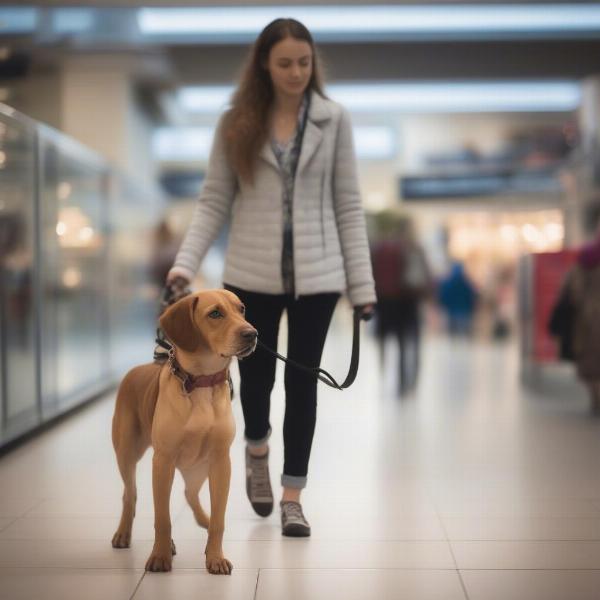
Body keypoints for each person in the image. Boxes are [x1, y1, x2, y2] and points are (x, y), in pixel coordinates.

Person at [164, 18, 376, 537]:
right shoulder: (237, 122)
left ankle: (293, 496)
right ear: (264, 64)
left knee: (303, 385)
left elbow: (348, 205)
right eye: (285, 63)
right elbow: (214, 200)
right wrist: (184, 264)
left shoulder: (334, 120)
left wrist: (363, 286)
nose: (296, 72)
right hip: (249, 278)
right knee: (255, 384)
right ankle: (255, 449)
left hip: (319, 279)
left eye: (304, 62)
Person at [371, 213, 432, 395]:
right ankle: (406, 382)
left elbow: (372, 274)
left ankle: (384, 375)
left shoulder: (379, 248)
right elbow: (424, 276)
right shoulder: (413, 247)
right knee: (407, 343)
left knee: (384, 341)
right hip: (407, 301)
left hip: (383, 302)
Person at [556, 229, 600, 414]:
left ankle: (596, 400)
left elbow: (573, 290)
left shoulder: (585, 258)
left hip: (588, 319)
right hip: (590, 318)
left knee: (591, 364)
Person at [438, 261, 478, 336]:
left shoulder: (448, 283)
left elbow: (443, 295)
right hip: (464, 311)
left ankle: (452, 344)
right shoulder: (467, 283)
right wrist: (471, 307)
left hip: (451, 310)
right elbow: (471, 296)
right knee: (463, 331)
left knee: (452, 332)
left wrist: (443, 304)